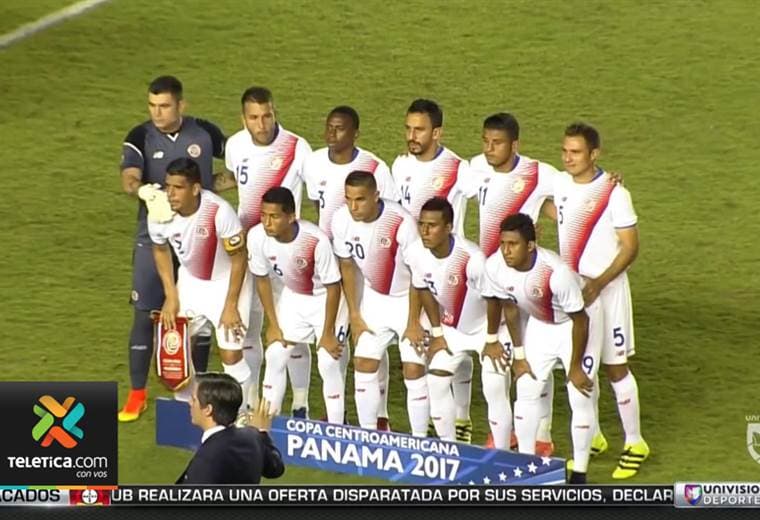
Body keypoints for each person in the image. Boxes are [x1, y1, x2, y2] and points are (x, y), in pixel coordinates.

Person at [119, 75, 225, 422]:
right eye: (152, 106)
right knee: (146, 313)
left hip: (199, 235)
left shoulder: (205, 133)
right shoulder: (140, 136)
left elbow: (239, 162)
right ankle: (137, 394)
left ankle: (199, 393)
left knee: (200, 317)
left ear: (182, 105)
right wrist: (144, 192)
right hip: (154, 236)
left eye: (164, 106)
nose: (157, 112)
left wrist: (212, 187)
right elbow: (129, 177)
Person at [555, 123, 649, 479]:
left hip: (607, 293)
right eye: (565, 151)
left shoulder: (614, 193)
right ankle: (593, 435)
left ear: (594, 154)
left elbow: (630, 247)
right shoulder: (560, 183)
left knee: (614, 366)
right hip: (576, 294)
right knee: (581, 364)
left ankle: (635, 442)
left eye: (576, 152)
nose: (568, 158)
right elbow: (559, 210)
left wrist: (600, 281)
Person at [482, 213, 602, 484]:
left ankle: (580, 473)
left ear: (531, 246)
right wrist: (520, 356)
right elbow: (510, 309)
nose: (506, 250)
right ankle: (527, 466)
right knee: (525, 391)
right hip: (542, 324)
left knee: (578, 392)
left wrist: (574, 367)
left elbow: (580, 320)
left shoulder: (556, 273)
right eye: (503, 243)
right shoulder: (495, 266)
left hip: (579, 320)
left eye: (513, 244)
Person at [466, 112, 559, 453]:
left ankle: (542, 436)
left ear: (514, 144)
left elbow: (571, 195)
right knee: (493, 367)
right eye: (486, 141)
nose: (490, 149)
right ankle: (502, 438)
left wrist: (610, 184)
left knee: (533, 366)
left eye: (498, 143)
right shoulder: (474, 168)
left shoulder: (538, 173)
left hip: (527, 283)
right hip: (491, 281)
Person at [217, 86, 313, 418]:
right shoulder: (235, 145)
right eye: (255, 118)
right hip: (249, 250)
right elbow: (234, 179)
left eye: (268, 115)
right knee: (250, 325)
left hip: (289, 252)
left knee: (293, 330)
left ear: (275, 112)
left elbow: (315, 193)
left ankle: (301, 403)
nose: (262, 124)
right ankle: (250, 400)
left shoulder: (297, 147)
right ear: (243, 119)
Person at [301, 105, 398, 430]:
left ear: (355, 132)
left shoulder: (375, 167)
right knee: (337, 341)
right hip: (331, 263)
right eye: (329, 127)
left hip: (368, 265)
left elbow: (390, 215)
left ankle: (379, 414)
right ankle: (336, 416)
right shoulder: (313, 163)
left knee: (370, 335)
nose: (332, 133)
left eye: (340, 128)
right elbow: (319, 205)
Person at [391, 99, 473, 442]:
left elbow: (506, 184)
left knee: (456, 353)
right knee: (414, 363)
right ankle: (421, 441)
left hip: (453, 278)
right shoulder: (398, 166)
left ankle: (462, 420)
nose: (412, 135)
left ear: (436, 132)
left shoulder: (459, 168)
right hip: (412, 275)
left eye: (420, 129)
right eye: (408, 128)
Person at [148, 158, 252, 414]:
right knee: (174, 350)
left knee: (231, 356)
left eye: (177, 187)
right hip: (191, 283)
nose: (170, 194)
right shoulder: (160, 212)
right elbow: (160, 250)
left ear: (195, 189)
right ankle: (187, 409)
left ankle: (242, 414)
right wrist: (171, 296)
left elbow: (239, 258)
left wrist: (230, 306)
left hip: (227, 283)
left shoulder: (219, 211)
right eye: (167, 186)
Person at [330, 171, 429, 436]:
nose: (353, 207)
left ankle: (420, 439)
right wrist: (354, 313)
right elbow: (347, 267)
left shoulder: (401, 223)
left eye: (360, 200)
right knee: (363, 363)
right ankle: (368, 435)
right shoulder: (340, 220)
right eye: (349, 199)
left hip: (408, 300)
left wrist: (412, 323)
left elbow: (418, 274)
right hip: (374, 300)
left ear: (376, 196)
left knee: (413, 369)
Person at [409, 197, 512, 448]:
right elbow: (423, 290)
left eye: (432, 226)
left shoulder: (472, 258)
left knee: (494, 385)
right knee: (436, 380)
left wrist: (491, 340)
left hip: (490, 329)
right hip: (454, 330)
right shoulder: (417, 253)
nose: (425, 231)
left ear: (448, 227)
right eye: (422, 224)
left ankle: (501, 452)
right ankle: (449, 449)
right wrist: (437, 332)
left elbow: (494, 300)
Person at [248, 187, 348, 424]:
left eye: (274, 216)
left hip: (325, 299)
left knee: (327, 360)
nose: (266, 222)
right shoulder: (256, 237)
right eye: (263, 215)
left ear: (291, 216)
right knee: (275, 355)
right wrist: (273, 325)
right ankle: (267, 424)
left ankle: (336, 428)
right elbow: (261, 280)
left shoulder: (315, 241)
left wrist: (327, 333)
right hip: (294, 297)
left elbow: (334, 287)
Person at [177, 373, 284, 484]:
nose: (190, 403)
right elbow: (275, 468)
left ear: (208, 409)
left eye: (194, 399)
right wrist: (262, 433)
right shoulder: (252, 436)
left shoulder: (208, 458)